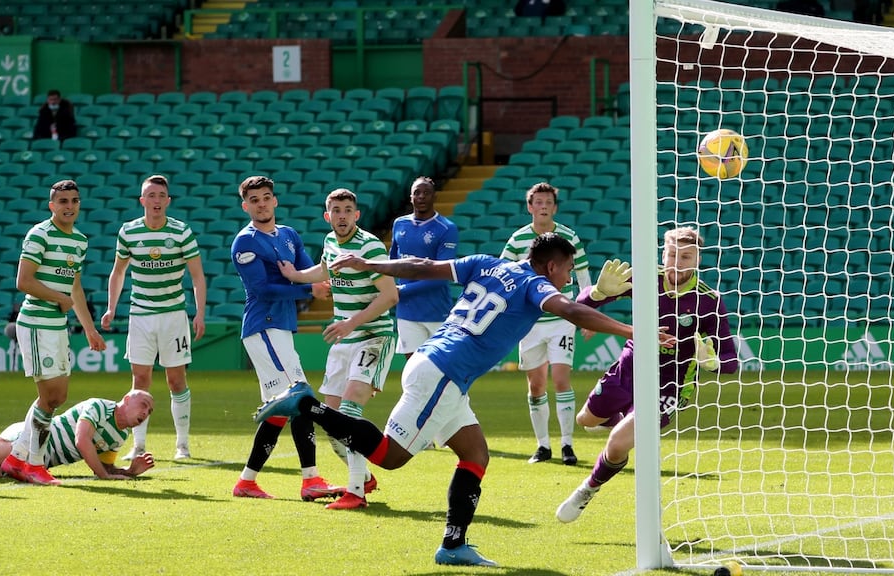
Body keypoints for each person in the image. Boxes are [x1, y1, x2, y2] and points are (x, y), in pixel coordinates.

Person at [255, 232, 635, 567]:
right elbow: (570, 310)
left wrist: (369, 262)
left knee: (475, 455)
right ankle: (308, 405)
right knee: (389, 456)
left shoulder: (485, 263)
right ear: (552, 267)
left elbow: (420, 266)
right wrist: (631, 329)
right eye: (567, 270)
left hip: (433, 361)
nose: (568, 278)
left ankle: (453, 545)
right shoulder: (535, 286)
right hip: (445, 374)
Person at [556, 226, 740, 523]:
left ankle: (587, 490)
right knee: (586, 421)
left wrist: (712, 363)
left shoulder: (709, 300)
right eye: (672, 255)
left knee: (616, 443)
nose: (678, 263)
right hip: (629, 368)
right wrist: (598, 292)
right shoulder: (644, 278)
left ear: (698, 260)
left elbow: (731, 361)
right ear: (663, 254)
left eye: (686, 256)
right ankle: (628, 425)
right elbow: (579, 309)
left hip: (669, 384)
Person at [277, 188, 398, 510]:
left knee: (349, 412)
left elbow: (390, 296)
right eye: (336, 210)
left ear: (356, 215)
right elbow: (325, 270)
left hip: (373, 335)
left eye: (347, 210)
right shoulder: (330, 243)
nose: (342, 215)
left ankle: (356, 493)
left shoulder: (370, 246)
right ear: (327, 216)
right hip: (345, 339)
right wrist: (296, 276)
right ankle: (364, 477)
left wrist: (349, 323)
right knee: (330, 422)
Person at [230, 175, 341, 501]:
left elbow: (312, 270)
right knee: (301, 399)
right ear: (245, 206)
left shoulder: (289, 235)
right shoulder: (245, 242)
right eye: (254, 200)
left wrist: (333, 272)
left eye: (266, 197)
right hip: (263, 327)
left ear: (274, 200)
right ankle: (311, 481)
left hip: (279, 329)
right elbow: (261, 289)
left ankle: (247, 482)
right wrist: (309, 289)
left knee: (281, 409)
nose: (261, 204)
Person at [1, 179, 107, 486]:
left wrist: (89, 329)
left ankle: (18, 457)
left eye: (74, 201)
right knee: (50, 396)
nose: (69, 206)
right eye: (63, 201)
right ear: (52, 206)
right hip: (35, 322)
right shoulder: (39, 234)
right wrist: (58, 298)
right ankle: (33, 463)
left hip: (58, 326)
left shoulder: (80, 241)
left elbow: (74, 287)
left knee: (57, 397)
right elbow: (23, 281)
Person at [101, 175, 207, 461]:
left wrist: (200, 312)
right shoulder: (129, 232)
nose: (156, 200)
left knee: (176, 380)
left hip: (173, 315)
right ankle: (138, 446)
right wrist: (112, 307)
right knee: (140, 379)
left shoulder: (182, 232)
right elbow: (118, 271)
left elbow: (197, 275)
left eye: (161, 195)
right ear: (142, 200)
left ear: (168, 200)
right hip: (141, 315)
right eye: (151, 195)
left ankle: (182, 445)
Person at [500, 182, 591, 466]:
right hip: (530, 322)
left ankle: (567, 445)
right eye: (537, 202)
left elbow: (584, 275)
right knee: (536, 385)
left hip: (562, 318)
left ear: (554, 207)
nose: (542, 206)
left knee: (561, 378)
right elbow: (503, 274)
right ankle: (543, 446)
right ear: (529, 206)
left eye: (547, 202)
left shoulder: (569, 236)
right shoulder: (517, 240)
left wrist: (587, 312)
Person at [0, 391, 156, 480]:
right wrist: (104, 477)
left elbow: (105, 468)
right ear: (127, 400)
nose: (146, 413)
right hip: (31, 437)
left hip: (37, 461)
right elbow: (82, 441)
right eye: (143, 405)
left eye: (150, 411)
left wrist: (129, 471)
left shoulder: (121, 435)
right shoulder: (99, 406)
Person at [389, 176, 459, 360]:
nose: (421, 196)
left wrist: (401, 290)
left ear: (434, 196)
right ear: (410, 197)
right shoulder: (399, 224)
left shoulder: (446, 228)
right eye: (417, 193)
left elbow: (442, 275)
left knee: (444, 370)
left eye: (426, 192)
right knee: (413, 371)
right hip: (406, 311)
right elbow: (392, 262)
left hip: (436, 310)